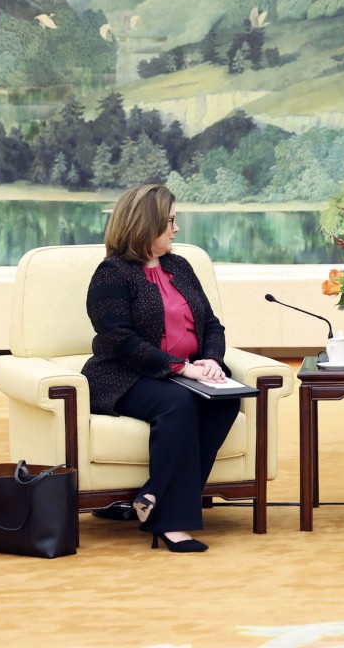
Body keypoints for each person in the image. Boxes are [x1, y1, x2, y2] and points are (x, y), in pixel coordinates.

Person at [82, 184, 239, 553]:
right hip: (123, 374)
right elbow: (118, 338)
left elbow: (212, 324)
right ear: (144, 224)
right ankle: (171, 524)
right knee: (177, 404)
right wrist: (181, 368)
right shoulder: (112, 273)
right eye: (169, 221)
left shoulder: (180, 266)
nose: (176, 229)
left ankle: (152, 495)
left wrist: (212, 361)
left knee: (225, 400)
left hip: (188, 372)